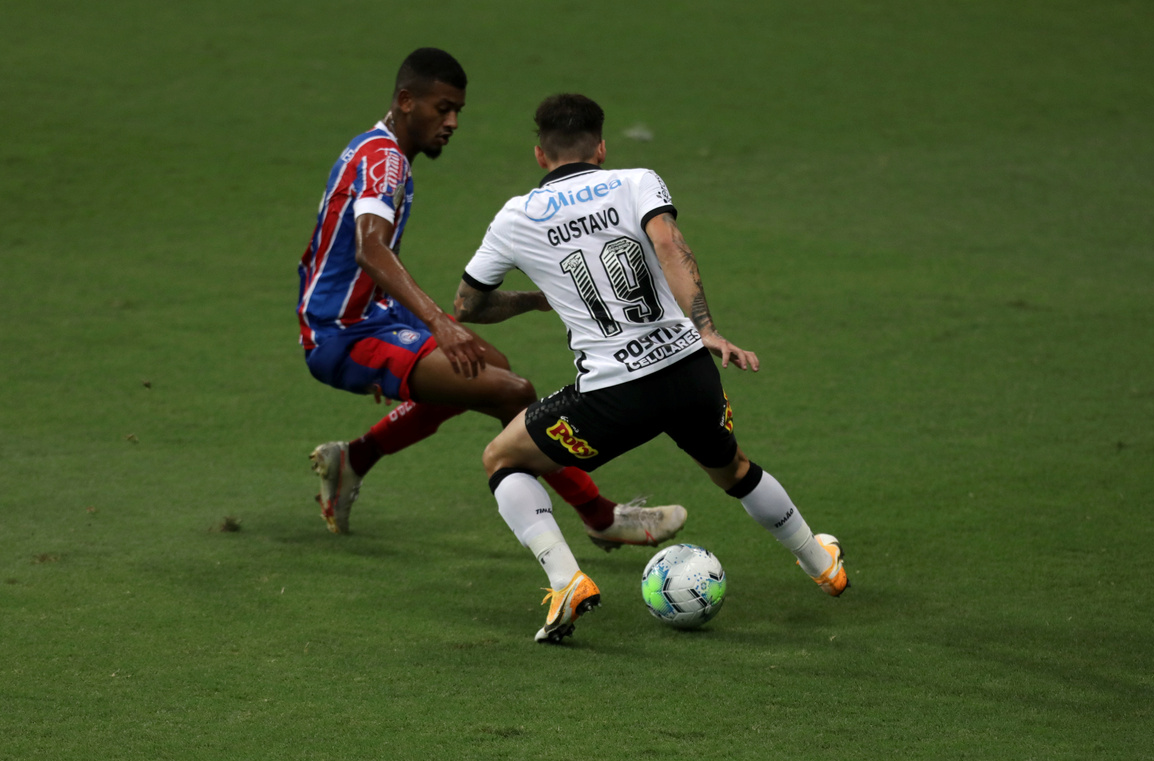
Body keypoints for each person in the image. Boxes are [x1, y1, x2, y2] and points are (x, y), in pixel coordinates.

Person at [455, 93, 849, 644]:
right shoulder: (635, 179)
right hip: (688, 371)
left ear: (541, 156)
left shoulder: (515, 217)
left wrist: (535, 299)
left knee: (502, 457)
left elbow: (468, 307)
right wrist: (705, 328)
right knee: (733, 468)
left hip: (611, 398)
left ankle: (566, 580)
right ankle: (821, 565)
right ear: (602, 147)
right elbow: (667, 243)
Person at [296, 50, 686, 548]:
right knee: (510, 390)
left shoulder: (377, 151)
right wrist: (441, 323)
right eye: (442, 109)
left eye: (458, 109)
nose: (452, 121)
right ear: (405, 101)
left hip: (370, 317)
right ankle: (600, 516)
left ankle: (354, 459)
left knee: (483, 369)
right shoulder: (383, 161)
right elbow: (370, 249)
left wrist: (527, 300)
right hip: (342, 333)